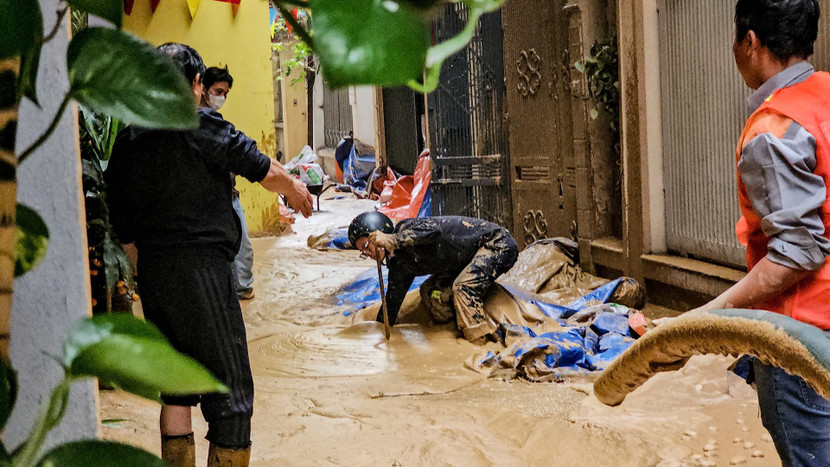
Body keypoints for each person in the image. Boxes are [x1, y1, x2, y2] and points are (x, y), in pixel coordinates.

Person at [105, 43, 313, 467]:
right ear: (197, 84)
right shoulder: (201, 125)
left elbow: (121, 220)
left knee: (176, 385)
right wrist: (295, 187)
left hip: (155, 273)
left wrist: (141, 269)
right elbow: (260, 166)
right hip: (202, 271)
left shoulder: (128, 138)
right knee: (231, 392)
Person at [692, 1, 830, 465]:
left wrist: (704, 319)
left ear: (750, 41)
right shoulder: (827, 97)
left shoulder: (774, 129)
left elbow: (797, 253)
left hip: (802, 341)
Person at [348, 212, 518, 343]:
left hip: (497, 244)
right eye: (363, 252)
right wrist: (377, 332)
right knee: (430, 290)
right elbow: (392, 303)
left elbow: (433, 231)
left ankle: (480, 341)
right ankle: (451, 328)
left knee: (463, 288)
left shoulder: (407, 228)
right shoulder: (399, 264)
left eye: (366, 246)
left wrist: (394, 239)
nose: (368, 254)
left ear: (379, 233)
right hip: (464, 262)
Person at [200, 66, 255, 300]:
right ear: (202, 88)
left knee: (242, 247)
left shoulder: (217, 122)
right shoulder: (197, 124)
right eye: (218, 91)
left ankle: (239, 289)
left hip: (228, 194)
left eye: (225, 93)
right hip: (208, 198)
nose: (221, 97)